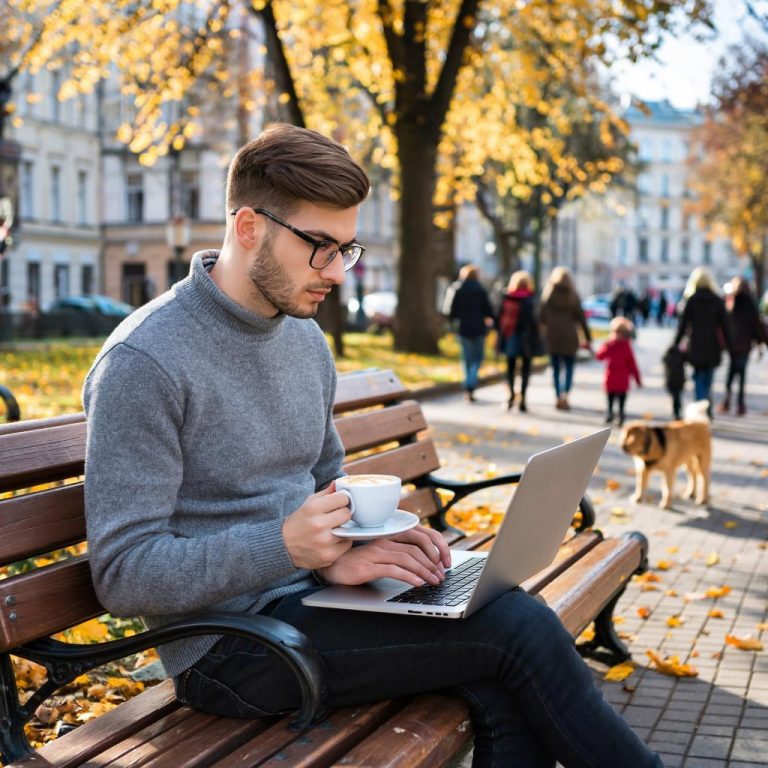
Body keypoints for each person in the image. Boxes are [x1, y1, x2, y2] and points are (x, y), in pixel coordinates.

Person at [82, 124, 663, 768]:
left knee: (499, 654)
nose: (336, 271)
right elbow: (122, 573)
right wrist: (285, 547)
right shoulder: (146, 361)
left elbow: (330, 480)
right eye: (320, 246)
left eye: (346, 248)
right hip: (228, 649)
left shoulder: (303, 339)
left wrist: (366, 546)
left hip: (315, 599)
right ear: (248, 227)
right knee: (516, 631)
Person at [673, 267, 731, 418]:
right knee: (708, 378)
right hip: (713, 345)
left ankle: (700, 407)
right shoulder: (717, 300)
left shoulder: (691, 300)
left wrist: (676, 343)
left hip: (696, 344)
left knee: (698, 377)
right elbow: (725, 325)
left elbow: (683, 325)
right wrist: (729, 345)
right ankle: (706, 405)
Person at [539, 266, 592, 410]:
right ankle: (566, 395)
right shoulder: (572, 295)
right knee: (569, 368)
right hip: (570, 336)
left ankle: (558, 395)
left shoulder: (548, 294)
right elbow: (581, 318)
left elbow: (541, 316)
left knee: (556, 369)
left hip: (553, 335)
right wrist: (588, 337)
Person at [718, 276, 768, 415]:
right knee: (741, 374)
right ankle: (740, 404)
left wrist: (723, 342)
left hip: (732, 344)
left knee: (732, 372)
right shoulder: (749, 303)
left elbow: (722, 324)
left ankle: (727, 401)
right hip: (744, 345)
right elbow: (757, 325)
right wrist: (762, 341)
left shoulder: (729, 301)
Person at [446, 264, 495, 402]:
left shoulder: (456, 289)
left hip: (463, 328)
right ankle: (471, 382)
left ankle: (468, 384)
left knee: (466, 358)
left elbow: (450, 311)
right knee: (477, 358)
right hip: (479, 328)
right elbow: (489, 311)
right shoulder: (481, 290)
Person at [496, 270, 542, 412]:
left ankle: (510, 396)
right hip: (526, 338)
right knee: (525, 369)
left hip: (510, 336)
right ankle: (523, 399)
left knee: (510, 368)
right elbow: (535, 320)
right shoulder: (531, 299)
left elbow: (499, 318)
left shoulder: (506, 298)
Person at [595, 317, 642, 426]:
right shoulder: (626, 346)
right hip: (622, 379)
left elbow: (599, 356)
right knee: (621, 399)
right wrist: (637, 380)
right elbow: (632, 364)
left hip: (611, 377)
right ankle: (620, 415)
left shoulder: (609, 344)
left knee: (610, 397)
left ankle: (610, 413)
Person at [662, 343, 687, 420]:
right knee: (677, 396)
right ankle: (678, 410)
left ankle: (676, 411)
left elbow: (663, 360)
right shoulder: (681, 355)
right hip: (680, 380)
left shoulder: (668, 357)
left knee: (675, 397)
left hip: (671, 380)